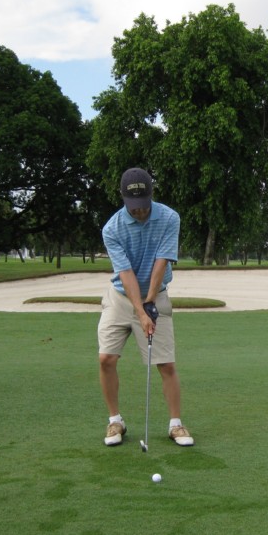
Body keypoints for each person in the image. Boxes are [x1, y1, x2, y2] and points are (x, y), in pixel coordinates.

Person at [97, 167, 194, 447]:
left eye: (143, 206)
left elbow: (161, 262)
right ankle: (115, 421)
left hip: (157, 293)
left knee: (165, 363)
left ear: (151, 196)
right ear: (123, 198)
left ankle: (176, 424)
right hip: (119, 297)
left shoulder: (169, 218)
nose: (139, 212)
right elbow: (125, 273)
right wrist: (139, 311)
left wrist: (150, 303)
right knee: (106, 359)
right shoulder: (112, 228)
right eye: (133, 207)